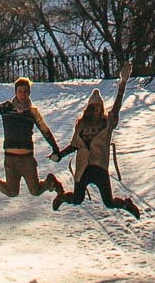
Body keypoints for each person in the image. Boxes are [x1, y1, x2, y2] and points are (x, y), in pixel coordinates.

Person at [50, 85, 142, 216]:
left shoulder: (107, 123)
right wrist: (60, 155)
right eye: (93, 106)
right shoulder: (81, 124)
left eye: (99, 106)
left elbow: (116, 109)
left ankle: (126, 204)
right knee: (77, 199)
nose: (96, 109)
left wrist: (122, 85)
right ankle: (62, 197)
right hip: (83, 168)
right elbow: (75, 145)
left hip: (99, 166)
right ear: (89, 108)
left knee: (108, 202)